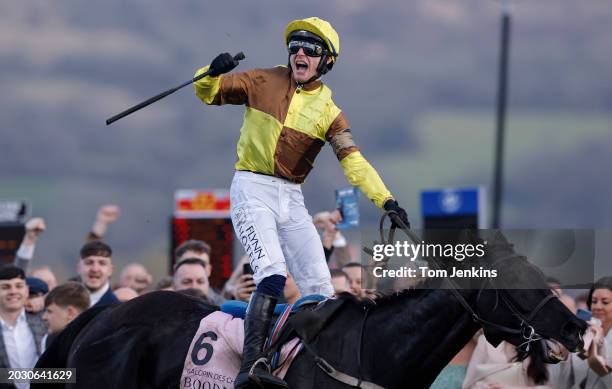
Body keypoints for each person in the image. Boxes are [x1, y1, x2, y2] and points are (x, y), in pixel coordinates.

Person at [193, 17, 410, 387]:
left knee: (321, 291)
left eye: (310, 49)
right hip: (251, 189)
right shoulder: (262, 79)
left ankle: (312, 367)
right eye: (295, 47)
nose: (300, 53)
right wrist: (209, 71)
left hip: (291, 198)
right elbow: (207, 92)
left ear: (326, 62)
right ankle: (251, 367)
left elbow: (354, 163)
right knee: (273, 274)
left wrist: (386, 200)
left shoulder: (329, 112)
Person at [0, 265, 47, 388]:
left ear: (26, 290)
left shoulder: (45, 319)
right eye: (5, 287)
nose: (13, 291)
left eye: (19, 286)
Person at [41, 281, 90, 351]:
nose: (44, 317)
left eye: (49, 311)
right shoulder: (48, 341)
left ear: (70, 313)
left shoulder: (96, 343)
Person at [77, 241, 119, 307]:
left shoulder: (117, 310)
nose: (95, 269)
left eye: (102, 263)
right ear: (78, 268)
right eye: (89, 262)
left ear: (110, 270)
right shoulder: (64, 304)